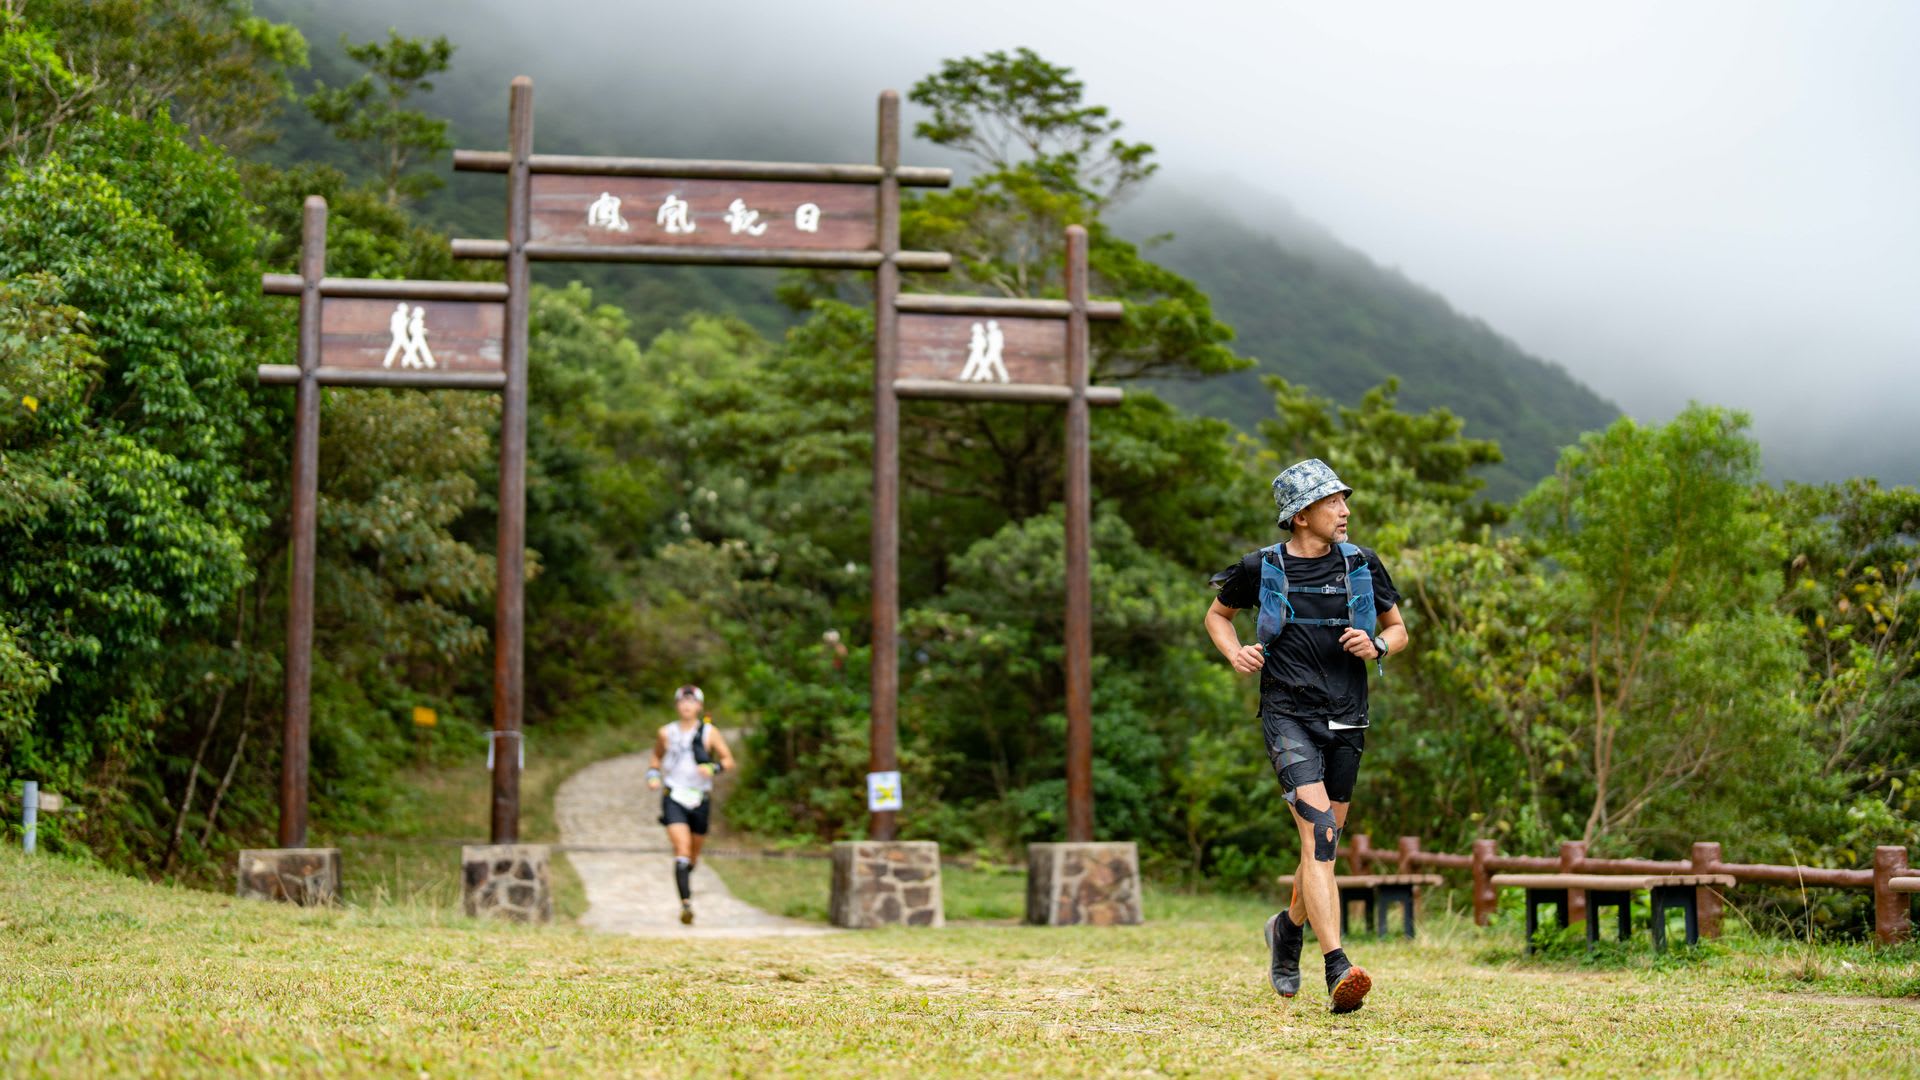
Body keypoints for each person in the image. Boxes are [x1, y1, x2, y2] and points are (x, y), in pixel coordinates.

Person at [1203, 458, 1409, 1014]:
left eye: (1344, 500)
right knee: (1318, 837)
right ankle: (1337, 964)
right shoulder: (1261, 567)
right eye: (1332, 502)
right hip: (1286, 713)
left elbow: (1398, 630)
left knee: (1326, 847)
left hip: (1347, 714)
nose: (1344, 511)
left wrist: (1379, 647)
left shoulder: (1363, 564)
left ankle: (1286, 928)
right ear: (1300, 516)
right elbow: (1217, 615)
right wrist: (1234, 652)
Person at [646, 684, 736, 925]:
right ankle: (686, 903)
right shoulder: (666, 733)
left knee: (693, 854)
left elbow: (728, 761)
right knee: (682, 850)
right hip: (674, 795)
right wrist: (653, 775)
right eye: (682, 701)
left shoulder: (709, 733)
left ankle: (685, 877)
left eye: (691, 701)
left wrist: (713, 768)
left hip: (700, 798)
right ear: (677, 705)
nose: (686, 705)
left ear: (699, 706)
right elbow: (656, 757)